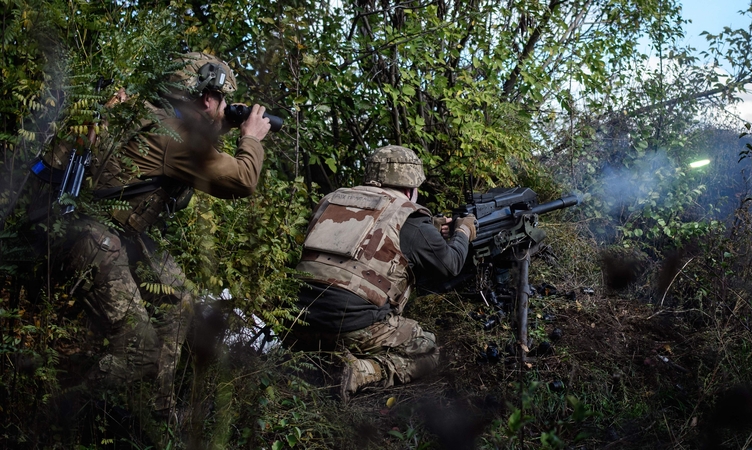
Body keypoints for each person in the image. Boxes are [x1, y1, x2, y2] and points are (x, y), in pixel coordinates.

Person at [61, 52, 273, 414]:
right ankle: (58, 417)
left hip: (107, 232)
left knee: (178, 299)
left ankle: (156, 410)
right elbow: (243, 180)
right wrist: (250, 137)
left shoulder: (143, 114)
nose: (225, 112)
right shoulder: (174, 137)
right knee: (139, 352)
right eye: (224, 103)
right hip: (94, 240)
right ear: (208, 98)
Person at [285, 145, 477, 401]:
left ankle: (312, 355)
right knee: (429, 350)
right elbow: (450, 264)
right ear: (410, 189)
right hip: (352, 327)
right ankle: (364, 371)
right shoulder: (408, 215)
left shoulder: (332, 200)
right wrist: (463, 231)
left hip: (296, 321)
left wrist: (430, 228)